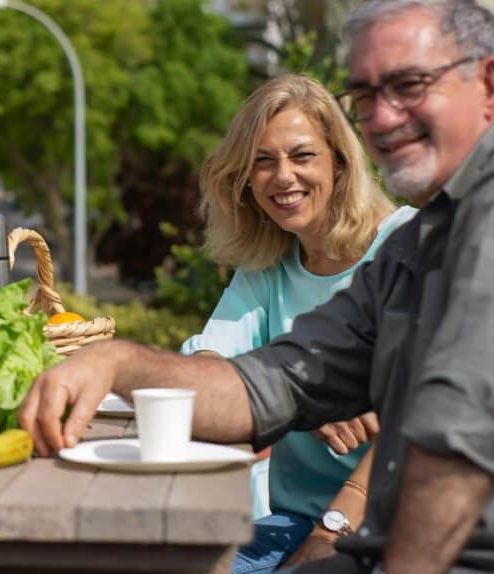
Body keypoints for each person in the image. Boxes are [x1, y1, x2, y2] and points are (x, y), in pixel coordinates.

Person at [20, 1, 494, 572]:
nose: (381, 117)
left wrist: (338, 527)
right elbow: (271, 385)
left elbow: (463, 432)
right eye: (364, 96)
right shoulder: (424, 240)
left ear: (488, 84)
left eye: (408, 86)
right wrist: (117, 364)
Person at [181, 74, 416, 574]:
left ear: (339, 159)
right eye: (262, 161)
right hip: (294, 520)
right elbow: (204, 368)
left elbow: (428, 418)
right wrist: (303, 398)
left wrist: (335, 526)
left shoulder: (407, 249)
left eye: (302, 156)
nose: (282, 176)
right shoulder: (269, 264)